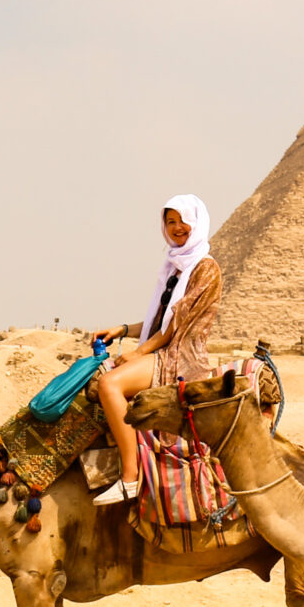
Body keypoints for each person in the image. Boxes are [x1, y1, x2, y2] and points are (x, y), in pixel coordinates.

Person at [88, 194, 223, 506]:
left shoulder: (205, 268)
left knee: (110, 385)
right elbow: (160, 319)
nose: (176, 227)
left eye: (182, 221)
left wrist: (138, 353)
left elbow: (176, 324)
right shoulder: (177, 267)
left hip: (181, 357)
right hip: (163, 348)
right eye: (170, 221)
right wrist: (122, 330)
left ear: (197, 222)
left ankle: (130, 476)